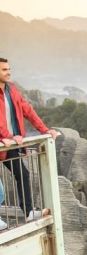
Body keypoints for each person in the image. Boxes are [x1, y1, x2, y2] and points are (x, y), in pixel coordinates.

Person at [0, 57, 60, 223]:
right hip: (6, 141)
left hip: (9, 144)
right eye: (4, 69)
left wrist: (45, 130)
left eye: (9, 68)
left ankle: (28, 212)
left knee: (23, 174)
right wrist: (9, 136)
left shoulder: (11, 91)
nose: (8, 72)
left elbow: (28, 111)